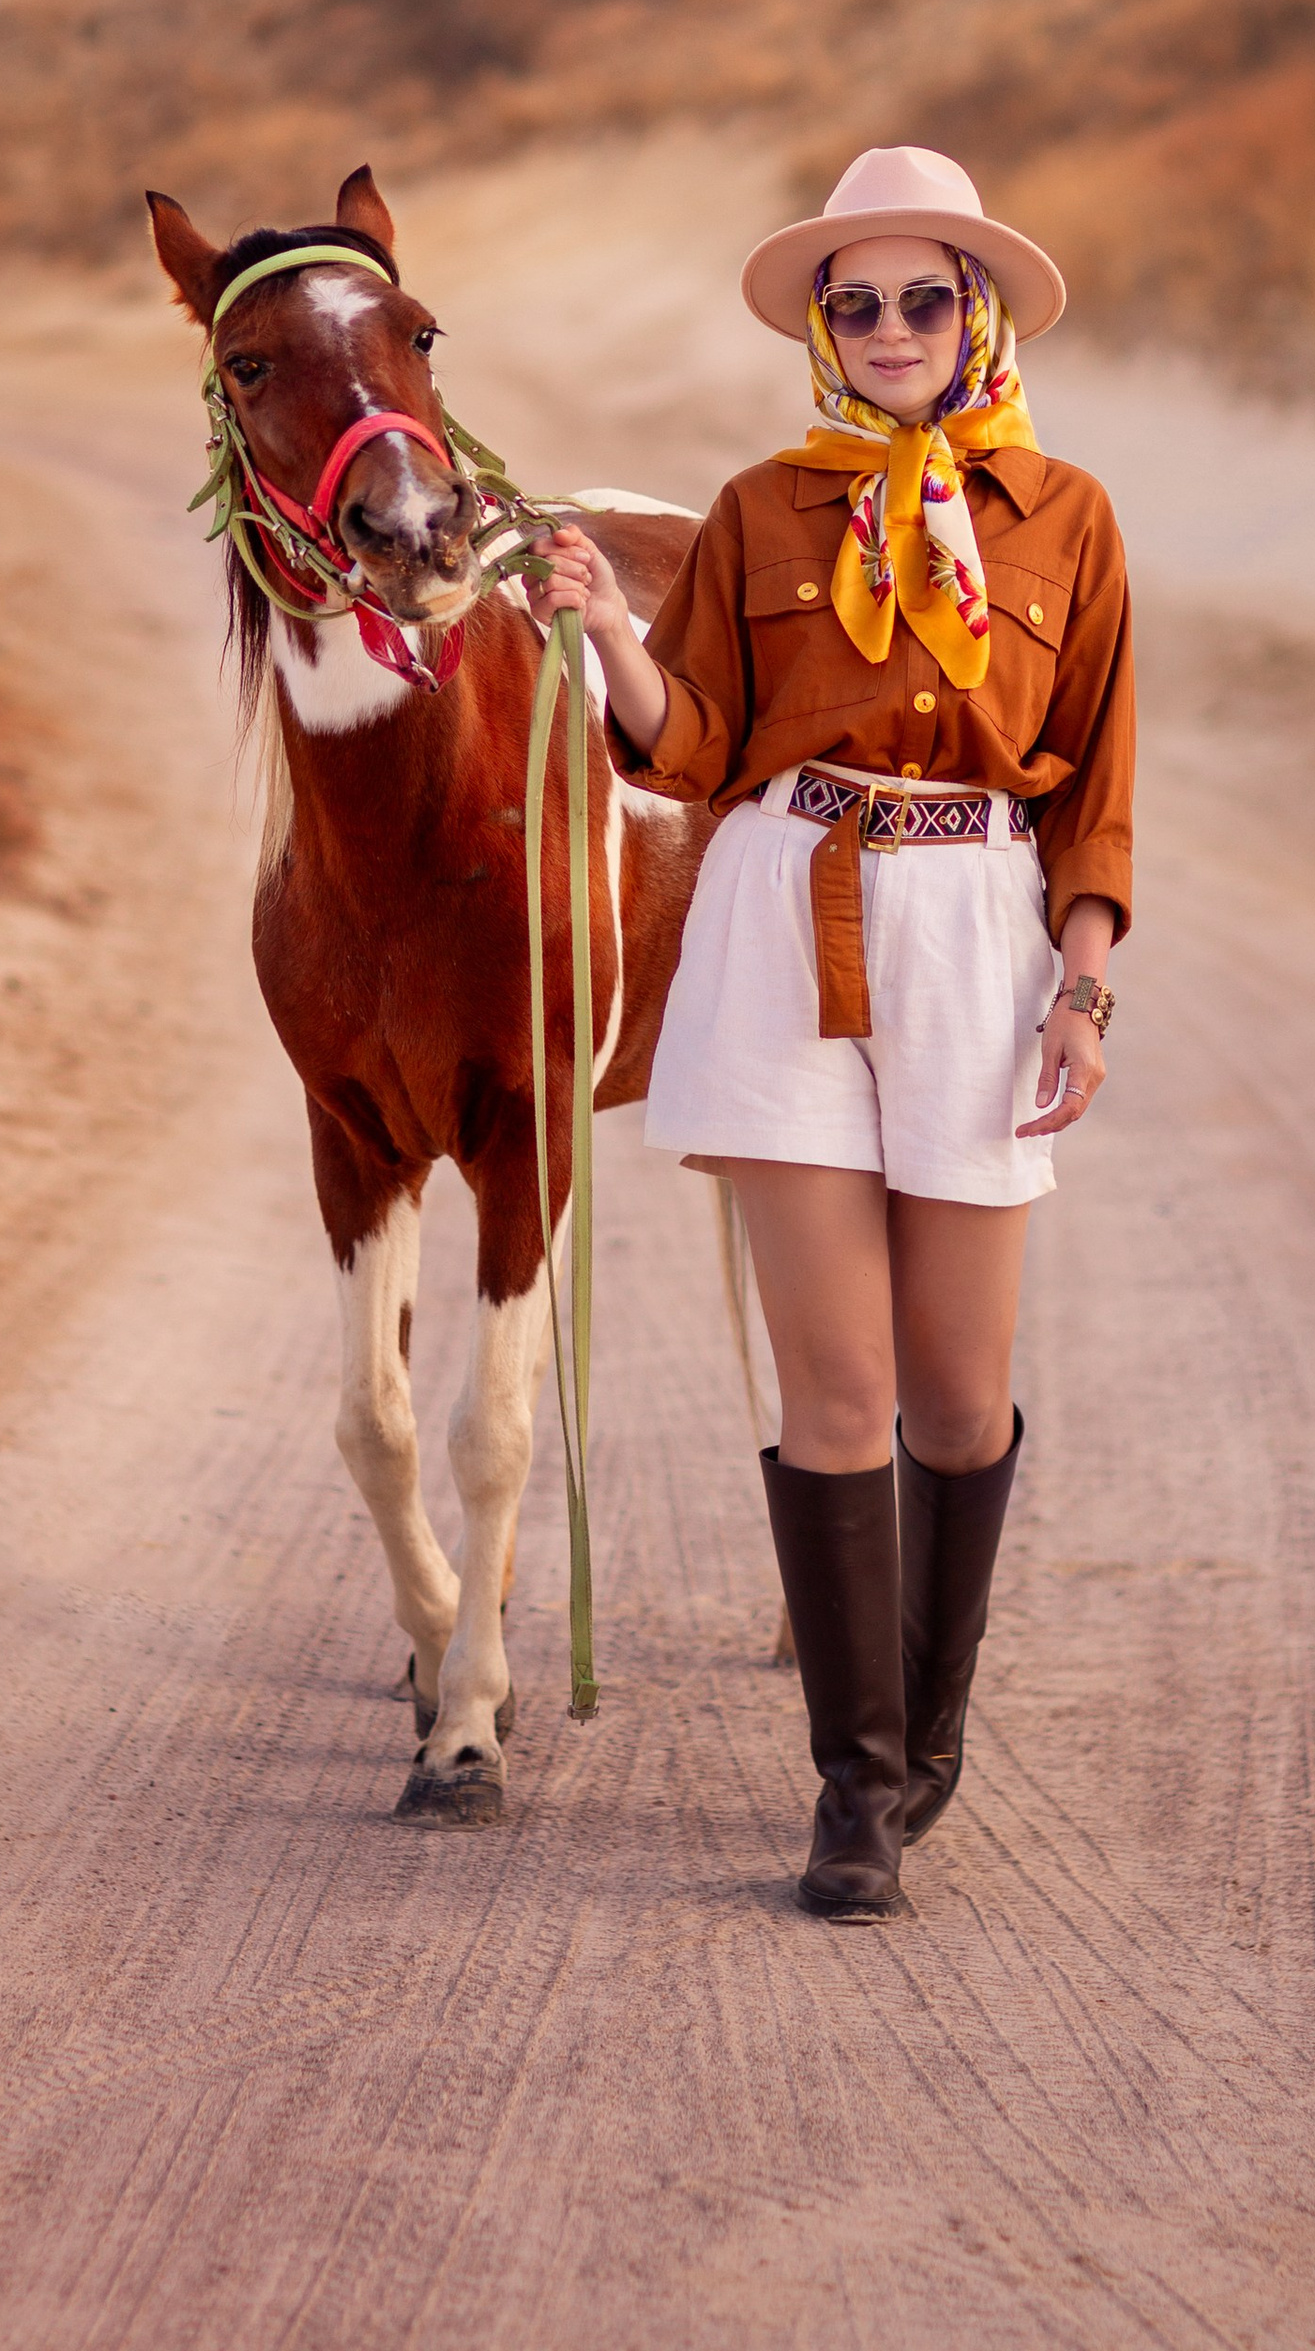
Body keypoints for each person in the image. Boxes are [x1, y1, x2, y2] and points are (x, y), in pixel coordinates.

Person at [542, 145, 1133, 1922]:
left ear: (976, 314)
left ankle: (928, 1723)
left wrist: (1084, 983)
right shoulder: (759, 508)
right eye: (854, 301)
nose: (887, 328)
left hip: (972, 932)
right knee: (842, 1390)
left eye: (921, 298)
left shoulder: (1068, 517)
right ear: (825, 321)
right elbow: (696, 738)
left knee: (957, 1397)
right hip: (783, 911)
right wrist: (602, 636)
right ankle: (856, 1786)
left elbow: (1097, 786)